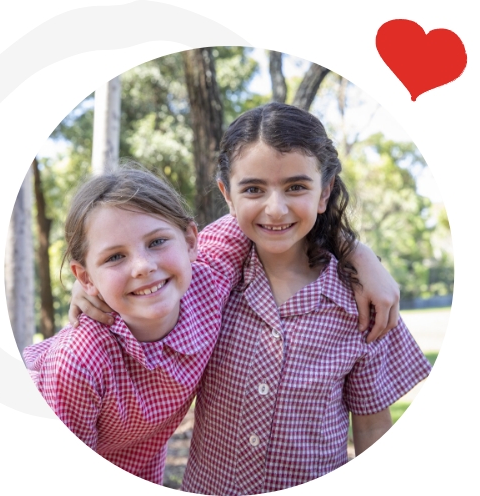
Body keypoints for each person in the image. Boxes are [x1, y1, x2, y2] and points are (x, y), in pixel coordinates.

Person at [72, 103, 432, 494]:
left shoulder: (362, 302)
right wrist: (88, 283)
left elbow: (373, 427)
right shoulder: (204, 273)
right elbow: (142, 262)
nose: (275, 209)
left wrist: (359, 255)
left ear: (325, 190)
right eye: (253, 189)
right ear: (227, 193)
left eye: (296, 186)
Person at [23, 166, 253, 484]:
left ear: (189, 241)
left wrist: (347, 250)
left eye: (157, 241)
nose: (143, 267)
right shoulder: (81, 359)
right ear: (86, 278)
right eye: (115, 257)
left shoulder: (209, 277)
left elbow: (271, 214)